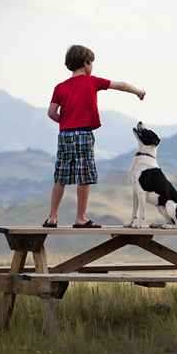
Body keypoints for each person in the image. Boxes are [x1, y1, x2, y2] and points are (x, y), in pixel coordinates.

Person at [43, 45, 145, 228]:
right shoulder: (92, 81)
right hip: (83, 134)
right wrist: (138, 91)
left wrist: (66, 122)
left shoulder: (60, 87)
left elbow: (51, 112)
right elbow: (120, 85)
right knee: (84, 176)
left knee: (61, 176)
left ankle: (52, 218)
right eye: (92, 63)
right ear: (86, 63)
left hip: (65, 135)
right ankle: (81, 218)